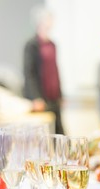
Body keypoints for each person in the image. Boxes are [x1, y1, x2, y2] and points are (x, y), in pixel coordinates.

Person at [23, 5, 65, 135]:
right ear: (40, 22)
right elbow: (29, 73)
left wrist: (61, 94)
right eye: (48, 19)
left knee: (60, 133)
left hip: (54, 96)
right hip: (41, 97)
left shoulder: (52, 44)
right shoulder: (31, 45)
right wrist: (36, 97)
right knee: (45, 135)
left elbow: (55, 70)